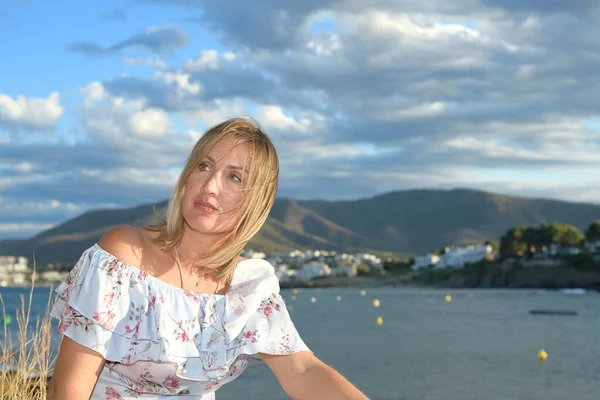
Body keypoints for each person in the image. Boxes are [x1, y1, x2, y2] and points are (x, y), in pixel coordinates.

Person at [47, 117, 369, 399]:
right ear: (186, 178)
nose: (211, 186)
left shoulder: (248, 288)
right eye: (204, 166)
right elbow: (68, 389)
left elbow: (302, 372)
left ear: (254, 201)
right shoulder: (123, 257)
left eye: (235, 177)